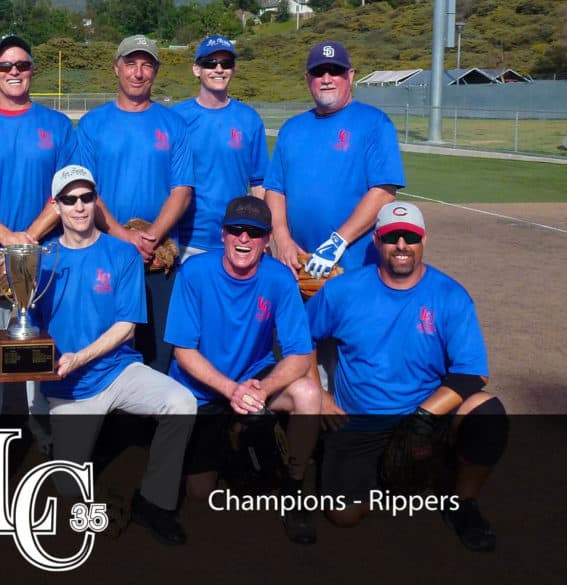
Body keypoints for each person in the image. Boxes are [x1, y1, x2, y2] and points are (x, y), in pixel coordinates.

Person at [307, 201, 509, 553]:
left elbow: (472, 373)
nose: (401, 245)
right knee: (344, 515)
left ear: (423, 240)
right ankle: (387, 470)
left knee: (487, 413)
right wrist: (318, 393)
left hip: (426, 414)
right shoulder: (343, 290)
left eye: (410, 237)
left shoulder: (449, 295)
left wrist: (423, 417)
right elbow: (301, 337)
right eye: (392, 236)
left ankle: (463, 503)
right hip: (360, 420)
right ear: (376, 241)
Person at [33, 165, 197, 546]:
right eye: (69, 199)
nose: (79, 206)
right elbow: (29, 327)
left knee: (182, 402)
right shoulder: (41, 258)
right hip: (69, 386)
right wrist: (23, 360)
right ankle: (67, 451)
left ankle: (153, 501)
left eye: (87, 197)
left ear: (96, 201)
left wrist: (79, 357)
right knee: (67, 488)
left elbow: (126, 327)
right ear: (56, 206)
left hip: (116, 370)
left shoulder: (122, 253)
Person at [165, 196, 322, 545]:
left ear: (268, 240)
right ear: (222, 233)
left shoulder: (279, 278)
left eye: (255, 232)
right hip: (202, 387)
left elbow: (299, 354)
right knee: (199, 491)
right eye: (236, 229)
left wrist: (263, 389)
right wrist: (231, 391)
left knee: (308, 393)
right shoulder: (195, 272)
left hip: (253, 378)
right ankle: (236, 436)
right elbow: (184, 352)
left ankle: (293, 491)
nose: (244, 238)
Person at [0, 33, 76, 418]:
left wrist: (28, 239)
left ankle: (44, 436)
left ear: (32, 70)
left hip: (46, 263)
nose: (14, 71)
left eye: (22, 64)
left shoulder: (58, 126)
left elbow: (66, 189)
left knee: (44, 364)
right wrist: (7, 238)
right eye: (5, 65)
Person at [75, 34, 194, 374]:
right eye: (130, 64)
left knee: (156, 354)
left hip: (157, 258)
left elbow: (182, 191)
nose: (138, 73)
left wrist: (151, 237)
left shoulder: (173, 125)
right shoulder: (93, 124)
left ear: (156, 71)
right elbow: (85, 190)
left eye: (146, 65)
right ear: (117, 68)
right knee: (103, 349)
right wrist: (124, 236)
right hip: (106, 253)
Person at [264, 40, 404, 278]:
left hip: (355, 268)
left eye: (335, 71)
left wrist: (338, 241)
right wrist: (283, 238)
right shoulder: (291, 129)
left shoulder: (374, 122)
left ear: (350, 75)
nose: (327, 79)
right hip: (299, 266)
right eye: (318, 72)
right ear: (307, 78)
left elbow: (384, 191)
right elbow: (275, 189)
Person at [172, 36, 268, 262]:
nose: (218, 69)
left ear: (233, 69)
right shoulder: (176, 117)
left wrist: (261, 231)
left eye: (226, 63)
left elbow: (259, 183)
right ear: (196, 69)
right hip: (186, 240)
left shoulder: (249, 119)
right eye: (210, 63)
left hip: (236, 238)